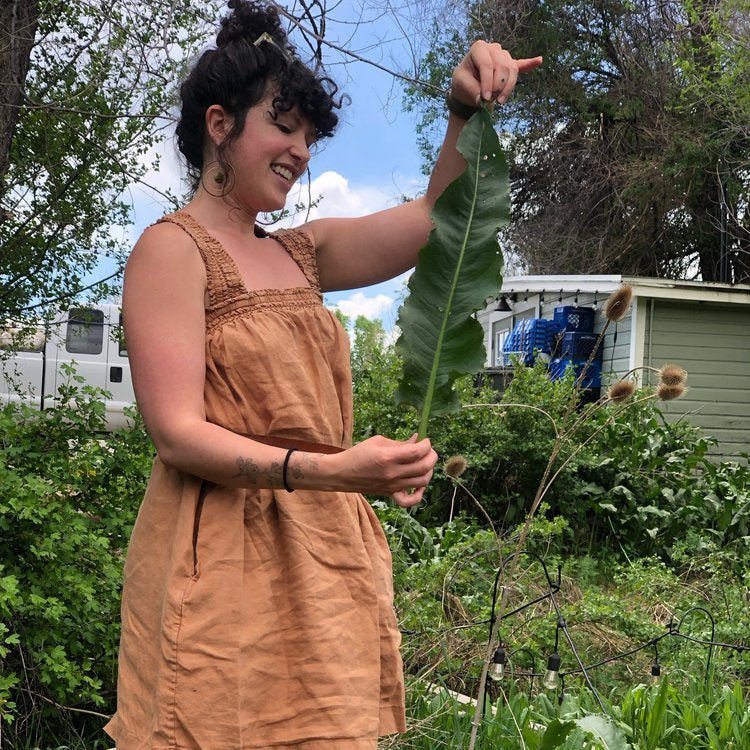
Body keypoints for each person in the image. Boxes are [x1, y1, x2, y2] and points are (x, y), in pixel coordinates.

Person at [104, 2, 542, 748]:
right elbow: (176, 434)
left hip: (324, 558)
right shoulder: (170, 251)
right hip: (219, 562)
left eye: (308, 136)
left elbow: (441, 218)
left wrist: (462, 111)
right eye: (283, 127)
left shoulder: (301, 254)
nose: (301, 151)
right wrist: (337, 471)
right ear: (219, 125)